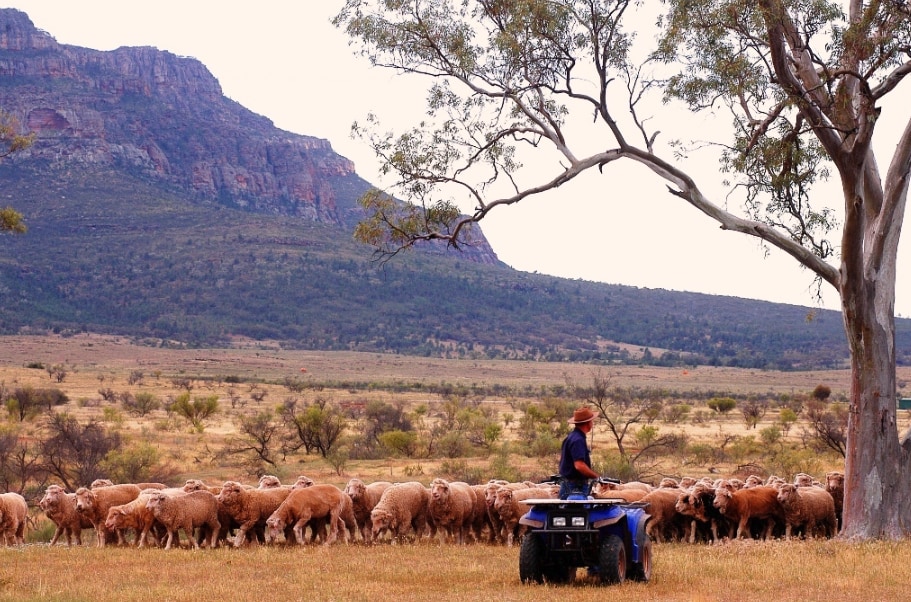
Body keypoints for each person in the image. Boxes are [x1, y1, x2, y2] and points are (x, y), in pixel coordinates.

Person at [558, 406, 599, 498]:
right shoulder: (578, 440)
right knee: (578, 512)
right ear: (588, 423)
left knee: (564, 511)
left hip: (568, 485)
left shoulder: (571, 437)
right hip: (575, 487)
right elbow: (579, 465)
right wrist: (596, 476)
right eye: (591, 421)